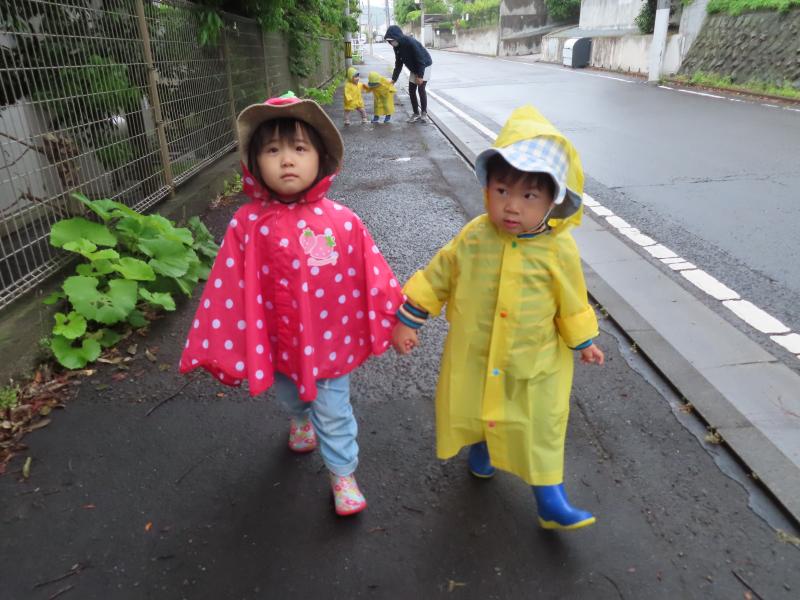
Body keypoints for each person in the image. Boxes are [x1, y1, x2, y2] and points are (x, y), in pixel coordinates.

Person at [180, 92, 404, 517]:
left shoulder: (342, 221)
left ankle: (342, 474)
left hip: (328, 343)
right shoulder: (246, 224)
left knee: (333, 410)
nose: (286, 160)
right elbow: (227, 285)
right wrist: (217, 341)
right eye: (272, 150)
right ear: (254, 162)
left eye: (299, 148)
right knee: (289, 395)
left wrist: (398, 318)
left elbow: (373, 273)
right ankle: (300, 420)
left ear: (321, 158)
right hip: (278, 342)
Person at [391, 105, 605, 530]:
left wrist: (583, 341)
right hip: (478, 349)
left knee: (539, 425)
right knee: (478, 405)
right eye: (502, 190)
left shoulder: (558, 249)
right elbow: (438, 277)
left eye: (529, 197)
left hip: (535, 361)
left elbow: (571, 299)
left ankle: (550, 500)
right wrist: (409, 320)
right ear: (487, 187)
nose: (511, 206)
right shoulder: (475, 236)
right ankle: (482, 447)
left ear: (553, 201)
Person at [384, 25, 432, 124]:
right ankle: (416, 113)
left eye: (392, 40)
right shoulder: (396, 47)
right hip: (414, 68)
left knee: (421, 88)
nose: (391, 43)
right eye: (389, 41)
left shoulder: (410, 43)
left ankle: (424, 113)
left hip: (424, 65)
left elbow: (420, 59)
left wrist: (420, 76)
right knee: (411, 90)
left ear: (397, 37)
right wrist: (394, 79)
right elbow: (398, 64)